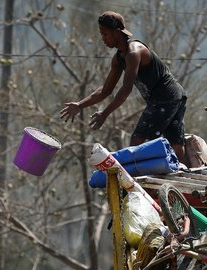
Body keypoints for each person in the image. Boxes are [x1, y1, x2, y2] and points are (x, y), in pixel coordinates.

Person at [60, 11, 188, 163]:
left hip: (166, 96)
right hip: (174, 96)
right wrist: (80, 105)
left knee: (138, 139)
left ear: (116, 32)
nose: (103, 39)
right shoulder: (118, 59)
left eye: (105, 34)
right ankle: (180, 175)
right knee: (175, 142)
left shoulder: (134, 52)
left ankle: (137, 181)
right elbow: (106, 90)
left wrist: (105, 113)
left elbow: (126, 89)